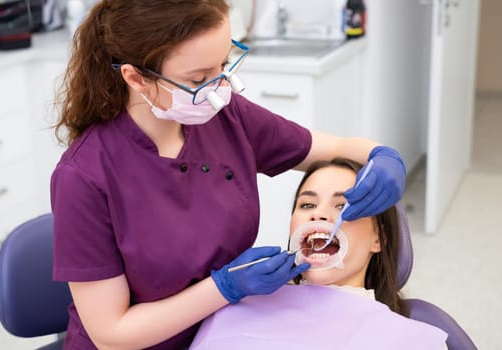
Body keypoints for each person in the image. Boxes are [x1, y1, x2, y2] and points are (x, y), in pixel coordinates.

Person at [50, 1, 407, 349]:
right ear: (136, 78)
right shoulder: (83, 177)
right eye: (199, 78)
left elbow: (337, 147)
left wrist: (382, 155)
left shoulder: (225, 115)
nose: (222, 90)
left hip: (227, 328)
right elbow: (112, 335)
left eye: (223, 64)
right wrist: (223, 288)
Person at [189, 159, 448, 350]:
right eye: (307, 204)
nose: (319, 214)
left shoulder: (406, 340)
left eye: (343, 205)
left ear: (378, 239)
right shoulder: (236, 305)